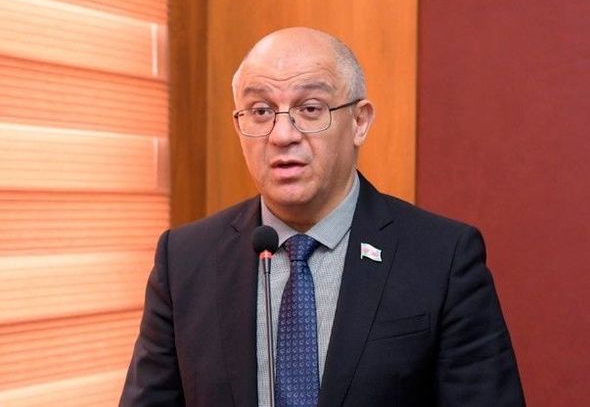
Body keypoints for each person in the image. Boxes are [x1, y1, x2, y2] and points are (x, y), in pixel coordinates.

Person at [120, 27, 525, 406]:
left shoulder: (442, 258)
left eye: (310, 108)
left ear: (360, 122)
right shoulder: (185, 259)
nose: (282, 135)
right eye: (260, 111)